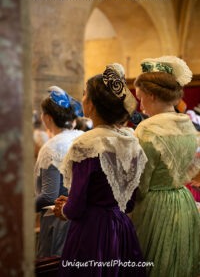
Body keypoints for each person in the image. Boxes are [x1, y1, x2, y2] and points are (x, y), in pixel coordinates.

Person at [54, 64, 148, 276]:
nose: (83, 100)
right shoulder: (130, 141)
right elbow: (129, 202)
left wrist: (63, 209)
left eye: (85, 95)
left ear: (94, 105)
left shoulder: (88, 143)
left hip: (92, 233)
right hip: (122, 230)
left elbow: (76, 207)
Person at [128, 56, 200, 277]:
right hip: (184, 203)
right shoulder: (188, 125)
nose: (141, 106)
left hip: (155, 208)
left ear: (151, 95)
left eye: (140, 98)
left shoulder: (147, 129)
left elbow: (140, 183)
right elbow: (192, 170)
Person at [35, 86, 83, 258]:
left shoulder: (53, 146)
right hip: (81, 219)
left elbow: (49, 196)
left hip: (59, 222)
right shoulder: (81, 138)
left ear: (47, 118)